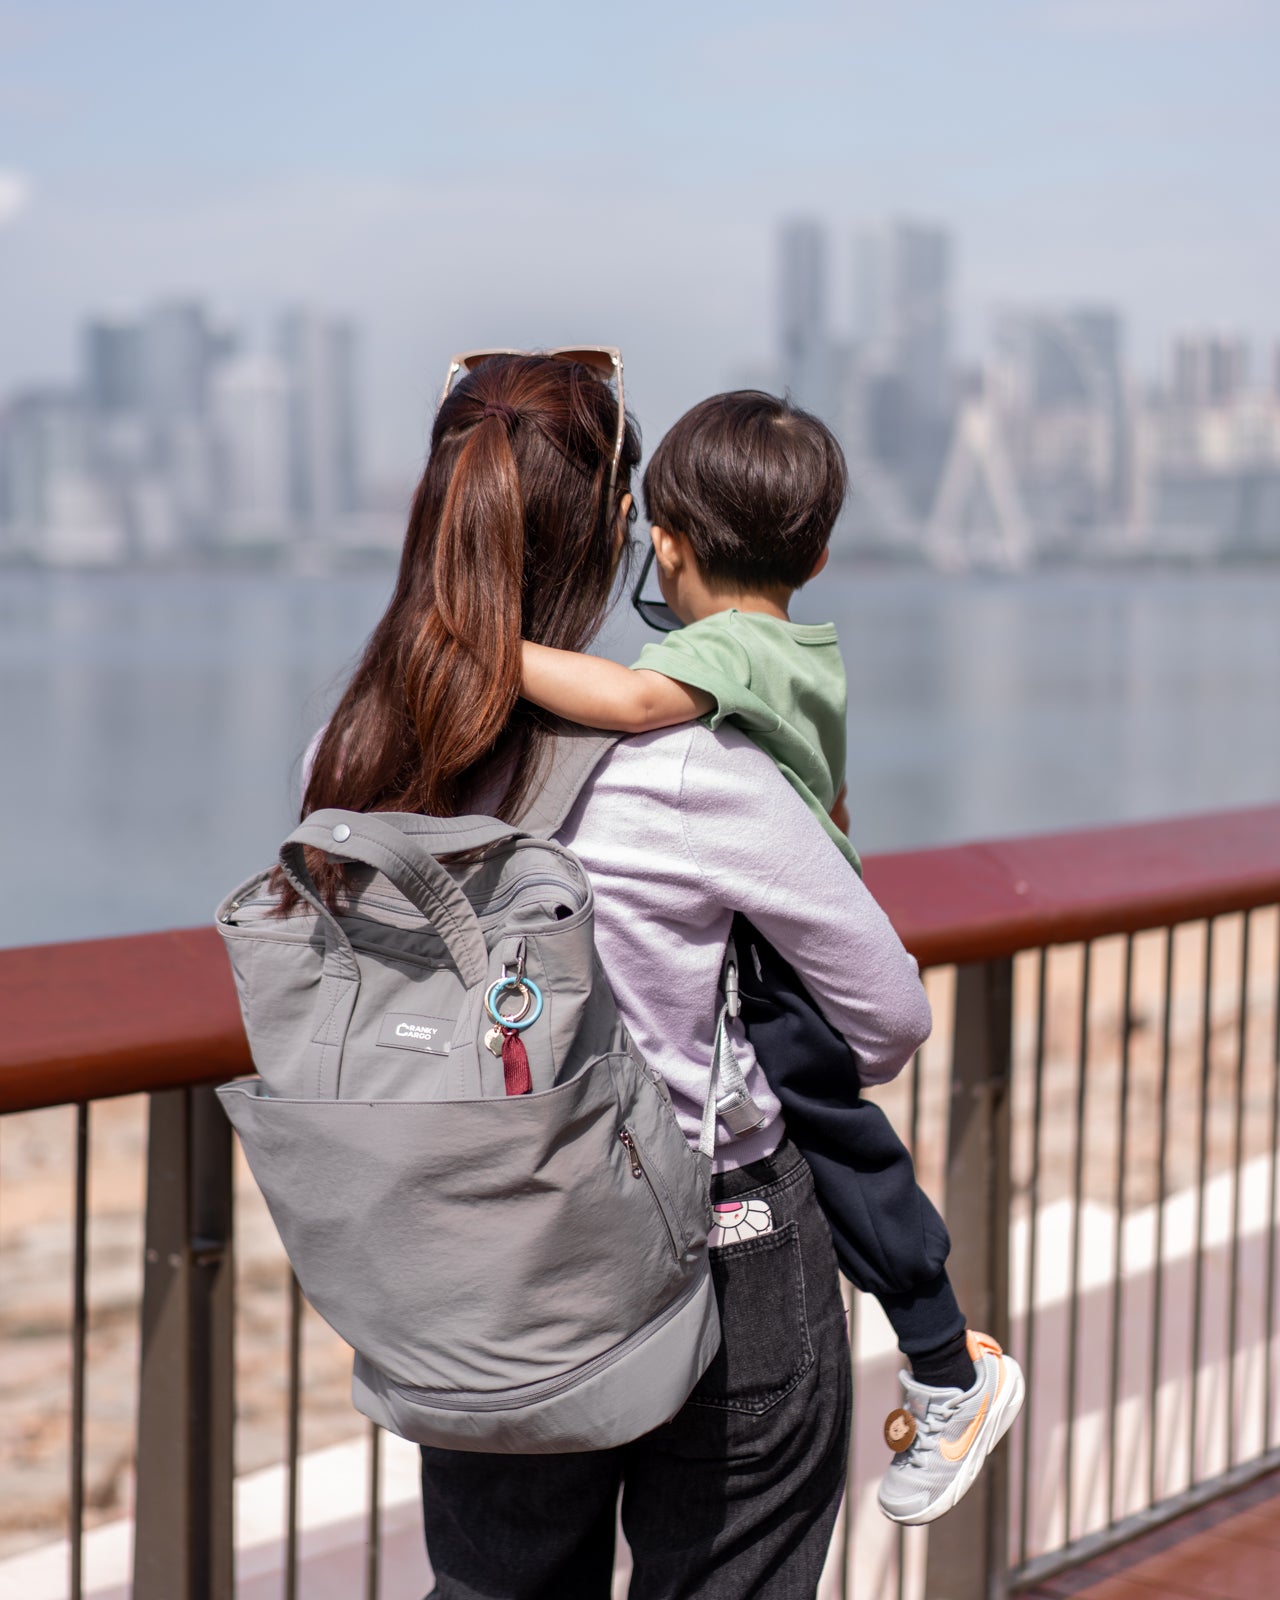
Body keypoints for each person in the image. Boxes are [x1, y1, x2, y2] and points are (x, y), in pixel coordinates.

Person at [300, 350, 932, 1599]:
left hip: (476, 1248)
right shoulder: (688, 770)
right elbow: (887, 1015)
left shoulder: (357, 750)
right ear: (620, 539)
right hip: (718, 1244)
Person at [520, 389, 1024, 1527]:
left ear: (666, 543)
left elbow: (629, 698)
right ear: (820, 554)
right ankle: (943, 1360)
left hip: (764, 964)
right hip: (785, 934)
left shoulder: (720, 652)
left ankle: (951, 1368)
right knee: (848, 1147)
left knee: (844, 1150)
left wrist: (477, 646)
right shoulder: (801, 651)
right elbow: (831, 807)